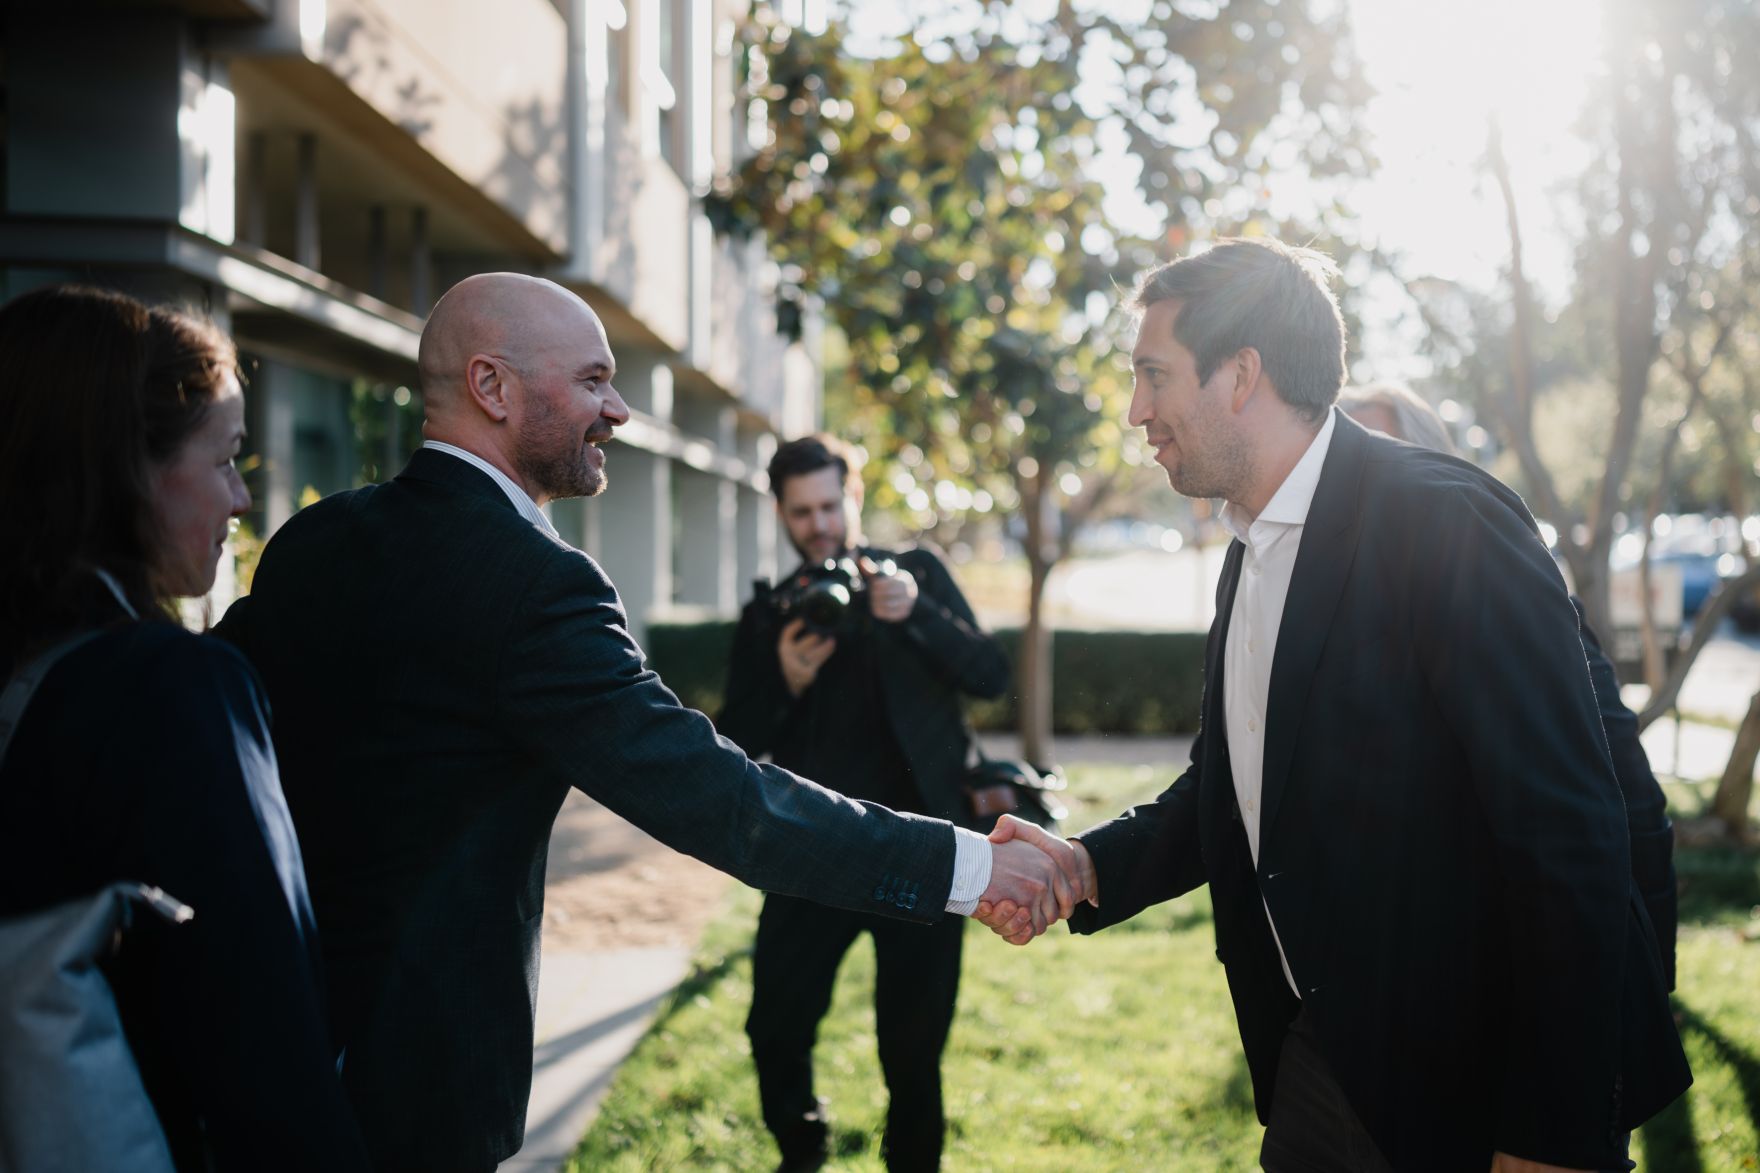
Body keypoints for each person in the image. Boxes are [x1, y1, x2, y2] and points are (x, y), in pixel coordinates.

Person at [213, 272, 1066, 1172]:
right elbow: (720, 795)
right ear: (491, 386)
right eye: (592, 380)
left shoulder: (316, 541)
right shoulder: (540, 586)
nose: (618, 408)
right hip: (421, 1082)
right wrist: (968, 864)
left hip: (270, 1034)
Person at [978, 240, 1690, 1172]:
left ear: (1242, 375)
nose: (1135, 411)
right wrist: (1083, 862)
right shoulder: (1251, 546)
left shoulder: (1445, 521)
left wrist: (1551, 1132)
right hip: (1326, 1059)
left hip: (1486, 1081)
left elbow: (1569, 835)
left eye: (1154, 375)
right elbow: (1232, 785)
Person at [0, 286, 369, 1170]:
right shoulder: (169, 689)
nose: (240, 498)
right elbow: (265, 1036)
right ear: (125, 468)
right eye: (224, 458)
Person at [718, 434, 1007, 1172]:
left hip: (923, 851)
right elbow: (735, 741)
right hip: (811, 853)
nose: (819, 524)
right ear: (781, 514)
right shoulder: (772, 614)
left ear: (853, 496)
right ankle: (802, 1148)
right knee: (775, 1024)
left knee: (913, 1047)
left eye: (829, 505)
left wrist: (915, 614)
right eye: (801, 511)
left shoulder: (916, 575)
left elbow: (991, 673)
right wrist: (784, 676)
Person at [1339, 382, 1678, 989]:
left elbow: (1630, 799)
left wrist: (1647, 982)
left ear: (1431, 466)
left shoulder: (1516, 597)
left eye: (1377, 447)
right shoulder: (1336, 624)